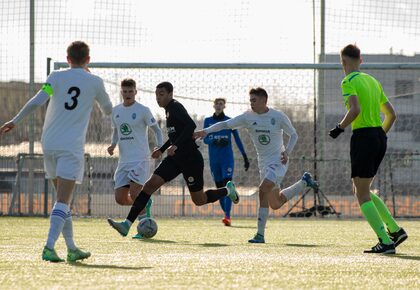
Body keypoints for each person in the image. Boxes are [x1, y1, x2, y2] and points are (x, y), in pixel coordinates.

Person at [0, 41, 113, 262]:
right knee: (63, 200)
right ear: (88, 59)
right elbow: (108, 110)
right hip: (70, 147)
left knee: (62, 200)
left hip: (49, 143)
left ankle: (71, 248)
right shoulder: (95, 82)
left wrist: (14, 121)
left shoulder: (56, 77)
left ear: (68, 58)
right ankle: (49, 247)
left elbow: (38, 100)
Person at [107, 81, 239, 237]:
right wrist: (161, 150)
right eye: (156, 95)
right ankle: (127, 225)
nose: (158, 98)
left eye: (161, 94)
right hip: (175, 159)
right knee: (149, 186)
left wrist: (175, 146)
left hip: (190, 159)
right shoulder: (168, 111)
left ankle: (227, 190)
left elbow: (190, 126)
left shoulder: (175, 107)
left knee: (199, 199)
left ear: (170, 94)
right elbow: (175, 135)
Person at [194, 87, 318, 243]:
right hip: (263, 164)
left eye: (254, 100)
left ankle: (260, 235)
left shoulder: (277, 116)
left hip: (278, 161)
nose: (251, 103)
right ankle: (304, 182)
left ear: (264, 100)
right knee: (276, 203)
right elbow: (225, 124)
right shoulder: (247, 117)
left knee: (262, 189)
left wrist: (287, 152)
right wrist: (205, 131)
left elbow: (293, 134)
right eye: (250, 100)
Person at [329, 44, 407, 254]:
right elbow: (392, 115)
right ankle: (395, 230)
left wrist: (339, 128)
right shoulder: (373, 81)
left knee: (361, 194)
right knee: (362, 190)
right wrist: (380, 135)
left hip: (363, 137)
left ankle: (385, 240)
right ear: (360, 61)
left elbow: (355, 110)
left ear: (343, 62)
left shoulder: (348, 81)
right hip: (379, 137)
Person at [107, 78, 163, 238]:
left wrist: (160, 147)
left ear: (135, 92)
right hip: (123, 161)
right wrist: (112, 145)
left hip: (140, 159)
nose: (128, 94)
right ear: (121, 92)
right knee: (120, 199)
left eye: (130, 91)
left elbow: (157, 130)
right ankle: (144, 203)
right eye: (125, 91)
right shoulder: (116, 111)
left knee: (134, 192)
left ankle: (144, 225)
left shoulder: (143, 110)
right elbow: (117, 131)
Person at [203, 98, 249, 226]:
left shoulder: (229, 121)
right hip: (214, 160)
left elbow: (238, 139)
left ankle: (227, 216)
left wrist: (245, 156)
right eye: (217, 103)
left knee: (228, 184)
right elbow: (205, 139)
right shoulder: (208, 121)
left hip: (227, 159)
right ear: (214, 106)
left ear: (224, 106)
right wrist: (214, 141)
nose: (218, 105)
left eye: (221, 104)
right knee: (220, 189)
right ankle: (226, 214)